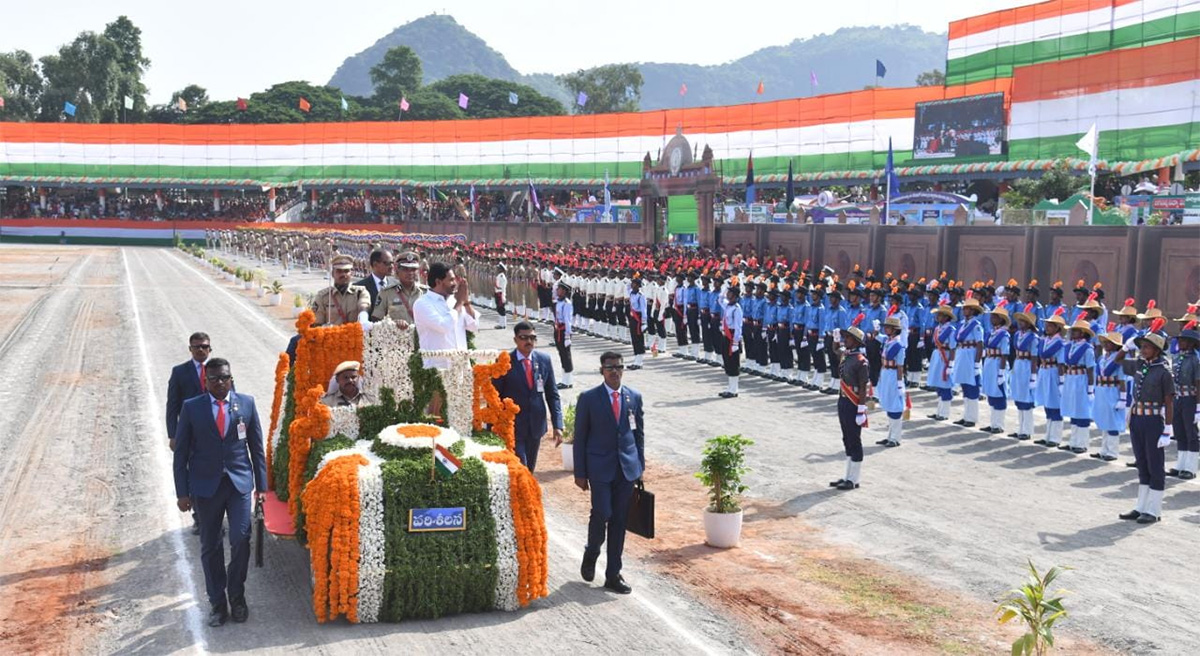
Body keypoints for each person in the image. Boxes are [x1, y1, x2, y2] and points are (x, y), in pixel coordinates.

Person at [172, 358, 267, 627]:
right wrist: (182, 492)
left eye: (224, 377)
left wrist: (262, 488)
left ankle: (237, 595)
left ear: (230, 377)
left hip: (238, 485)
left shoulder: (246, 403)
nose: (220, 382)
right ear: (206, 381)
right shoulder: (192, 408)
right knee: (210, 546)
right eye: (214, 379)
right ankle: (217, 602)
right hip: (205, 488)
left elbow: (256, 447)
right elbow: (181, 454)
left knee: (240, 538)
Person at [573, 351, 645, 595]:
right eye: (609, 367)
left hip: (626, 469)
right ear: (601, 371)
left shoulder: (633, 397)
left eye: (618, 367)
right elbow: (580, 438)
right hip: (599, 468)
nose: (614, 371)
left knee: (619, 521)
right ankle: (592, 550)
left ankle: (613, 574)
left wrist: (639, 467)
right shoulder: (589, 398)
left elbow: (638, 435)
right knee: (602, 512)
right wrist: (580, 473)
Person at [1117, 326, 1174, 523]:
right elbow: (1118, 361)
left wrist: (1167, 428)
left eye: (1147, 347)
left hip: (1153, 421)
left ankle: (1154, 510)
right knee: (1142, 463)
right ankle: (1141, 506)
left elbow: (1169, 401)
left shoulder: (1164, 372)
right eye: (1142, 346)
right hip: (1138, 419)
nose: (1142, 350)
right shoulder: (1141, 364)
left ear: (1157, 350)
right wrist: (1126, 346)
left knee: (1155, 465)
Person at [492, 321, 563, 472]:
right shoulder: (504, 361)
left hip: (536, 425)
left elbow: (552, 394)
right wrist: (493, 424)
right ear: (515, 340)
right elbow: (494, 395)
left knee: (529, 469)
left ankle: (526, 494)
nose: (528, 341)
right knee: (520, 467)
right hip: (513, 425)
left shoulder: (544, 360)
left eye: (532, 337)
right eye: (523, 337)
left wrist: (558, 425)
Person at [167, 331, 214, 534]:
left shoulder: (218, 369)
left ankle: (214, 516)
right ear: (190, 349)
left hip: (215, 432)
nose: (201, 350)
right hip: (191, 434)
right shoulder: (180, 372)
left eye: (204, 347)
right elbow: (172, 405)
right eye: (197, 347)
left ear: (210, 349)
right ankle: (200, 517)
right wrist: (173, 434)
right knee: (194, 473)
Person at [413, 261, 478, 369]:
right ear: (438, 281)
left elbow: (474, 326)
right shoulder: (422, 304)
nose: (455, 284)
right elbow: (444, 326)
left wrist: (466, 302)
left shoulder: (454, 300)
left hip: (462, 367)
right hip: (438, 369)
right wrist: (459, 303)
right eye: (451, 280)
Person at [830, 314, 869, 490]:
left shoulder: (861, 361)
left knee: (855, 439)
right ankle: (847, 475)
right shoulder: (847, 355)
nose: (846, 340)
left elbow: (863, 387)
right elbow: (835, 350)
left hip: (854, 403)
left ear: (856, 342)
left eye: (848, 338)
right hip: (843, 400)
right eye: (845, 337)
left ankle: (854, 479)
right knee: (846, 438)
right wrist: (835, 339)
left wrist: (861, 409)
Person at [1168, 322, 1199, 479]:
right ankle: (1180, 464)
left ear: (1192, 343)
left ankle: (1191, 468)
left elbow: (1198, 384)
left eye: (1184, 340)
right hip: (1178, 398)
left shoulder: (1195, 360)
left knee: (1191, 432)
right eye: (1179, 340)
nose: (1180, 343)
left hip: (1190, 399)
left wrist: (1198, 407)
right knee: (1179, 432)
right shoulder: (1178, 357)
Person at [1093, 330, 1130, 461]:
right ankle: (1104, 450)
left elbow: (1122, 380)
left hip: (1112, 390)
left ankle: (1112, 451)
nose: (1107, 345)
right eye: (1106, 342)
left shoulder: (1119, 360)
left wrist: (1123, 398)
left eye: (1110, 343)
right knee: (1104, 420)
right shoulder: (1102, 358)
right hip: (1102, 389)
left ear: (1116, 346)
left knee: (1113, 421)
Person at [1034, 308, 1068, 447]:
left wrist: (1061, 381)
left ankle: (1055, 437)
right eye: (1047, 325)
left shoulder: (1060, 343)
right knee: (1047, 403)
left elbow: (1061, 363)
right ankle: (1048, 435)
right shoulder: (1045, 340)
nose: (1047, 328)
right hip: (1044, 370)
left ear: (1057, 328)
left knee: (1055, 404)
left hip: (1053, 371)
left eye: (1050, 325)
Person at [951, 294, 985, 428]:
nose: (963, 311)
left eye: (966, 309)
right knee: (964, 385)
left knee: (972, 387)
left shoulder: (976, 325)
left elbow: (980, 344)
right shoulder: (962, 324)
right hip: (962, 353)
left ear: (972, 310)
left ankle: (972, 417)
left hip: (971, 354)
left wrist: (977, 363)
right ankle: (966, 415)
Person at [311, 254, 370, 327]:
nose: (343, 274)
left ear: (351, 273)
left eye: (346, 271)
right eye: (339, 271)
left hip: (354, 336)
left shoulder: (360, 292)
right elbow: (316, 322)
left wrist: (363, 317)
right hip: (331, 336)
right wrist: (324, 327)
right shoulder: (323, 296)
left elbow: (363, 304)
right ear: (332, 274)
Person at [1010, 305, 1041, 440]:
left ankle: (1027, 430)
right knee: (1018, 396)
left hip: (1027, 365)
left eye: (1023, 321)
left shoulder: (1033, 338)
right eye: (1019, 320)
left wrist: (1033, 375)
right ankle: (1020, 428)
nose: (1020, 323)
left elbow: (1034, 357)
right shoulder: (1017, 335)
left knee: (1026, 398)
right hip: (1018, 363)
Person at [874, 314, 905, 447]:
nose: (885, 329)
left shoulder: (898, 344)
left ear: (895, 329)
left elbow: (900, 366)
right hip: (885, 372)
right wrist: (875, 331)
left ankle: (895, 438)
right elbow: (878, 337)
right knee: (888, 403)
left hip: (893, 374)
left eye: (888, 327)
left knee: (894, 406)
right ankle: (890, 436)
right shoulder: (888, 340)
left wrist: (899, 383)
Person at [980, 304, 1012, 435]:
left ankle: (999, 424)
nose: (992, 319)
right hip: (989, 361)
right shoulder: (992, 332)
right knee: (991, 392)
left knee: (999, 393)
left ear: (1001, 319)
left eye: (995, 317)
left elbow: (1004, 353)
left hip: (998, 362)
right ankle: (993, 423)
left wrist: (1001, 372)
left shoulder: (1004, 334)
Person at [371, 250, 424, 328]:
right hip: (396, 338)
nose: (410, 273)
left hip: (420, 338)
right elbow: (376, 319)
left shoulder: (426, 293)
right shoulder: (386, 293)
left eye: (413, 269)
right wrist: (392, 323)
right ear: (397, 271)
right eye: (405, 269)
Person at [925, 303, 957, 421]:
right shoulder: (938, 328)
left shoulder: (950, 329)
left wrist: (951, 364)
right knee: (939, 384)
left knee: (945, 384)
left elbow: (953, 347)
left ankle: (945, 413)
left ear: (946, 317)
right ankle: (939, 411)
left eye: (940, 315)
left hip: (946, 356)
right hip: (938, 355)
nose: (938, 317)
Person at [719, 284, 744, 399]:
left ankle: (734, 390)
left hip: (732, 337)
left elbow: (738, 327)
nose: (727, 295)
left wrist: (735, 343)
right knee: (727, 362)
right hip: (726, 337)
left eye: (729, 293)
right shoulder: (728, 306)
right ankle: (730, 388)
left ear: (734, 296)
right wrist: (725, 289)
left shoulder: (736, 309)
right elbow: (720, 299)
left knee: (733, 363)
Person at [554, 282, 576, 389]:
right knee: (562, 354)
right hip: (558, 330)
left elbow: (568, 320)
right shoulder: (558, 302)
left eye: (559, 289)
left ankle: (568, 381)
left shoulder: (567, 303)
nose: (557, 290)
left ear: (564, 291)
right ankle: (564, 380)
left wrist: (567, 336)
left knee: (566, 356)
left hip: (563, 332)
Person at [627, 277, 648, 370]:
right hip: (633, 318)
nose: (632, 284)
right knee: (634, 339)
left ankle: (639, 362)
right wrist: (633, 277)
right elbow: (627, 286)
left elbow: (644, 310)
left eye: (634, 283)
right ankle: (636, 360)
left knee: (639, 339)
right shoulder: (631, 293)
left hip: (638, 319)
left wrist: (644, 322)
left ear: (638, 285)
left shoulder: (641, 295)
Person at [494, 262, 509, 330]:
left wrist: (503, 296)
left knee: (501, 309)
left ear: (501, 269)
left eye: (498, 268)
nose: (497, 269)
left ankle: (503, 324)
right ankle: (501, 324)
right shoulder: (499, 275)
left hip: (500, 294)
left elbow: (503, 288)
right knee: (499, 309)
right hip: (498, 293)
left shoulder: (502, 276)